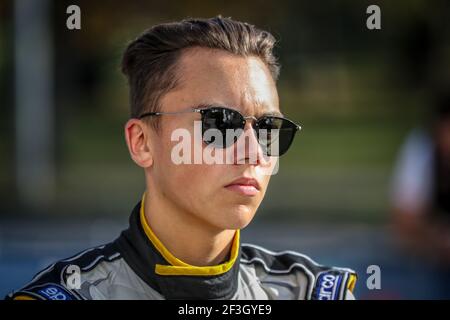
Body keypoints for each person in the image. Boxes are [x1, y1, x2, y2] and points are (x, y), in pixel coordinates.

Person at [6, 16, 356, 300]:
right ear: (142, 142)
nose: (254, 152)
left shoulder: (311, 292)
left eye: (268, 128)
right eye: (220, 123)